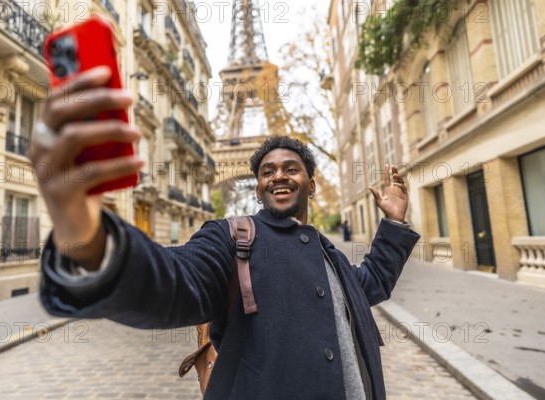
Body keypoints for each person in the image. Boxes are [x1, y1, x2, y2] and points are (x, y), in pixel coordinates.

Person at [29, 67, 420, 399]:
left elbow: (369, 284)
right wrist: (85, 233)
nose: (278, 175)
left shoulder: (326, 252)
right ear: (258, 188)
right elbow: (176, 281)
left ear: (312, 184)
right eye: (267, 172)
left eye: (290, 168)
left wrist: (393, 225)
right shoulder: (231, 239)